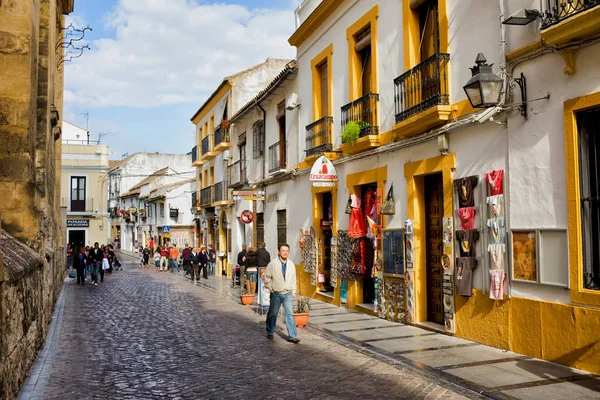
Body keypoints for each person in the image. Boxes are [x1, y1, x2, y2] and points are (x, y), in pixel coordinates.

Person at [264, 244, 299, 343]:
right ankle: (270, 331)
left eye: (287, 251)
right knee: (273, 313)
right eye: (283, 250)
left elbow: (293, 279)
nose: (285, 252)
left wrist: (294, 291)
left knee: (290, 314)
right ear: (279, 252)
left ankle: (292, 336)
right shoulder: (272, 264)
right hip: (276, 293)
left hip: (287, 293)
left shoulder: (291, 264)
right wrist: (270, 288)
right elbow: (266, 277)